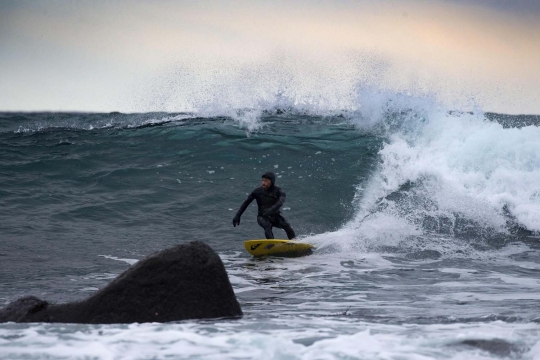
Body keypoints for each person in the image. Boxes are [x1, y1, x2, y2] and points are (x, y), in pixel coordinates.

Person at [232, 171, 296, 240]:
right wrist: (237, 216)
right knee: (267, 225)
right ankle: (271, 244)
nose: (263, 183)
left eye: (266, 181)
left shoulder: (278, 191)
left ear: (271, 181)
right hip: (262, 216)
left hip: (275, 215)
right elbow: (246, 203)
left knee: (286, 226)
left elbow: (281, 202)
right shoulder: (257, 191)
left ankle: (295, 243)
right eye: (262, 180)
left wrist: (271, 210)